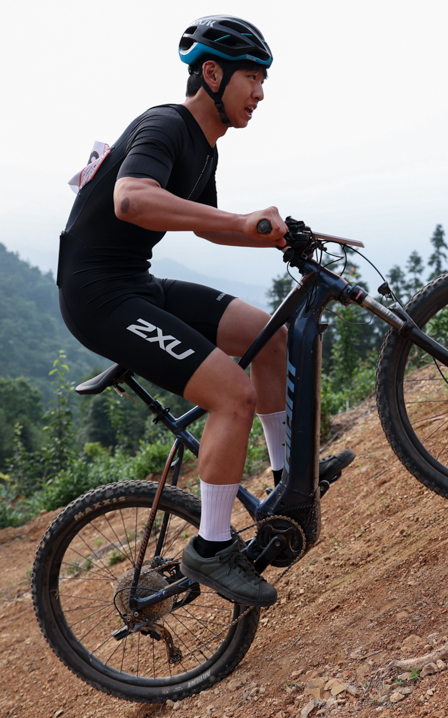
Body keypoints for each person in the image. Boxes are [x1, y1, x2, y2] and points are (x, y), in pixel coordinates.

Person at [57, 16, 353, 608]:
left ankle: (288, 482)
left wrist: (278, 236)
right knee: (231, 392)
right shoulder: (167, 124)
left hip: (135, 283)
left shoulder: (205, 147)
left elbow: (212, 230)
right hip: (99, 297)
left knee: (271, 337)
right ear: (211, 74)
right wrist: (244, 222)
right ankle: (212, 547)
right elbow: (132, 199)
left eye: (264, 80)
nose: (261, 93)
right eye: (252, 77)